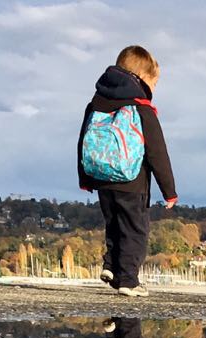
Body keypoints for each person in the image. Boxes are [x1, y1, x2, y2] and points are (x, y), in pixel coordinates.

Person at [77, 45, 178, 298]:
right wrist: (169, 191)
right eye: (154, 84)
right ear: (143, 78)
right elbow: (157, 151)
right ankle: (129, 280)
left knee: (113, 224)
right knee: (135, 229)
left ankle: (111, 266)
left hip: (102, 178)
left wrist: (86, 177)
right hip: (132, 181)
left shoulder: (97, 103)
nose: (154, 91)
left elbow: (84, 140)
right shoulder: (141, 107)